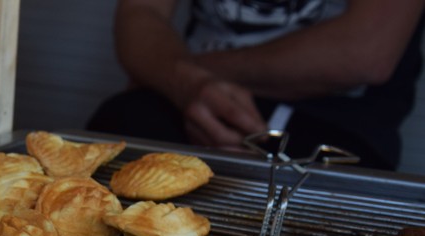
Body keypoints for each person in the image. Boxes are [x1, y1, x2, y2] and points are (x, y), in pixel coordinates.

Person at [87, 0, 425, 170]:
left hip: (340, 121)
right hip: (185, 94)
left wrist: (175, 73)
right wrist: (184, 84)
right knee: (114, 133)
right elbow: (141, 13)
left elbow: (366, 53)